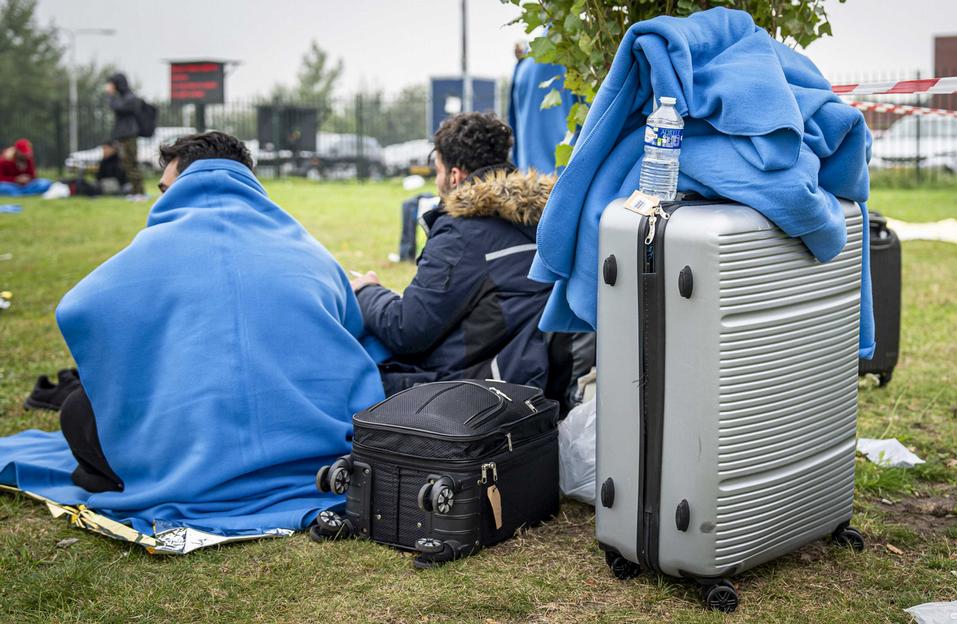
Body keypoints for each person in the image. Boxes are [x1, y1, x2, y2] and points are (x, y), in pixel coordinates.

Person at [0, 131, 385, 536]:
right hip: (313, 456)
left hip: (182, 451)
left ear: (184, 185)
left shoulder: (149, 253)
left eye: (165, 189)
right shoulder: (310, 251)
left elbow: (77, 310)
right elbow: (351, 328)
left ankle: (126, 471)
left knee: (77, 408)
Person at [352, 113, 555, 395]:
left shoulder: (463, 230)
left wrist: (368, 290)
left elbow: (407, 330)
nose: (437, 183)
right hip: (523, 375)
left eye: (438, 172)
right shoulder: (540, 220)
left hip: (472, 393)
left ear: (456, 176)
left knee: (348, 371)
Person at [508, 43, 576, 175]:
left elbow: (514, 129)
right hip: (566, 178)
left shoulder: (524, 66)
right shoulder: (575, 63)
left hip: (528, 178)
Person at [105, 73, 145, 198]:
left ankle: (139, 192)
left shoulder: (130, 98)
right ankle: (135, 191)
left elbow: (117, 107)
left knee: (131, 163)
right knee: (127, 164)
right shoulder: (123, 97)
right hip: (124, 136)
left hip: (129, 136)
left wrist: (110, 95)